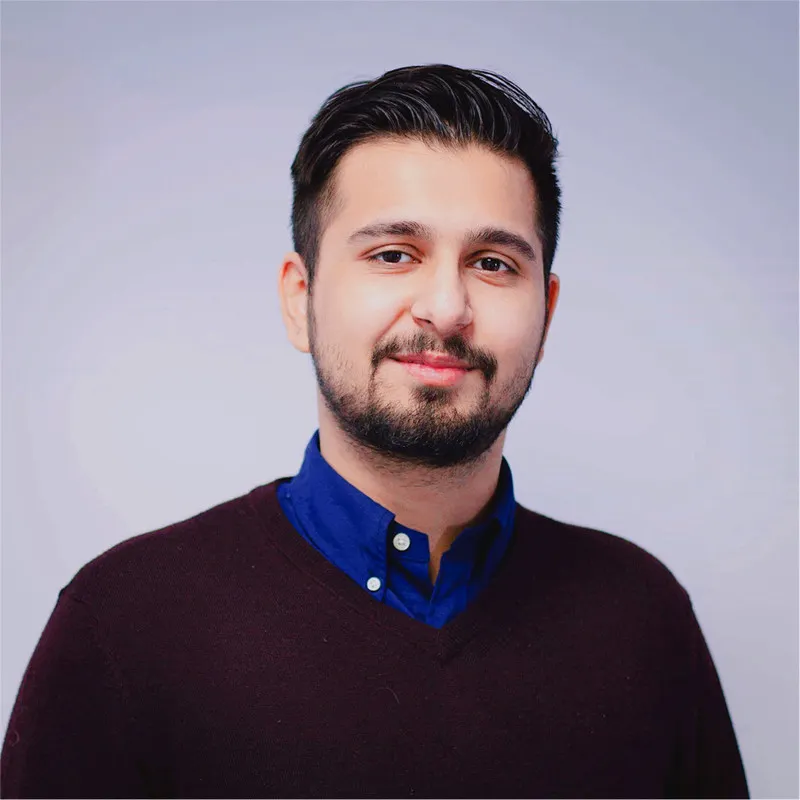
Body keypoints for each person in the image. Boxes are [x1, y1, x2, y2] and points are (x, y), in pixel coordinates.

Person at [1, 63, 749, 799]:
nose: (446, 307)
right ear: (300, 299)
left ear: (547, 314)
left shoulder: (642, 618)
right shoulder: (126, 625)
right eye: (394, 255)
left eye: (493, 263)